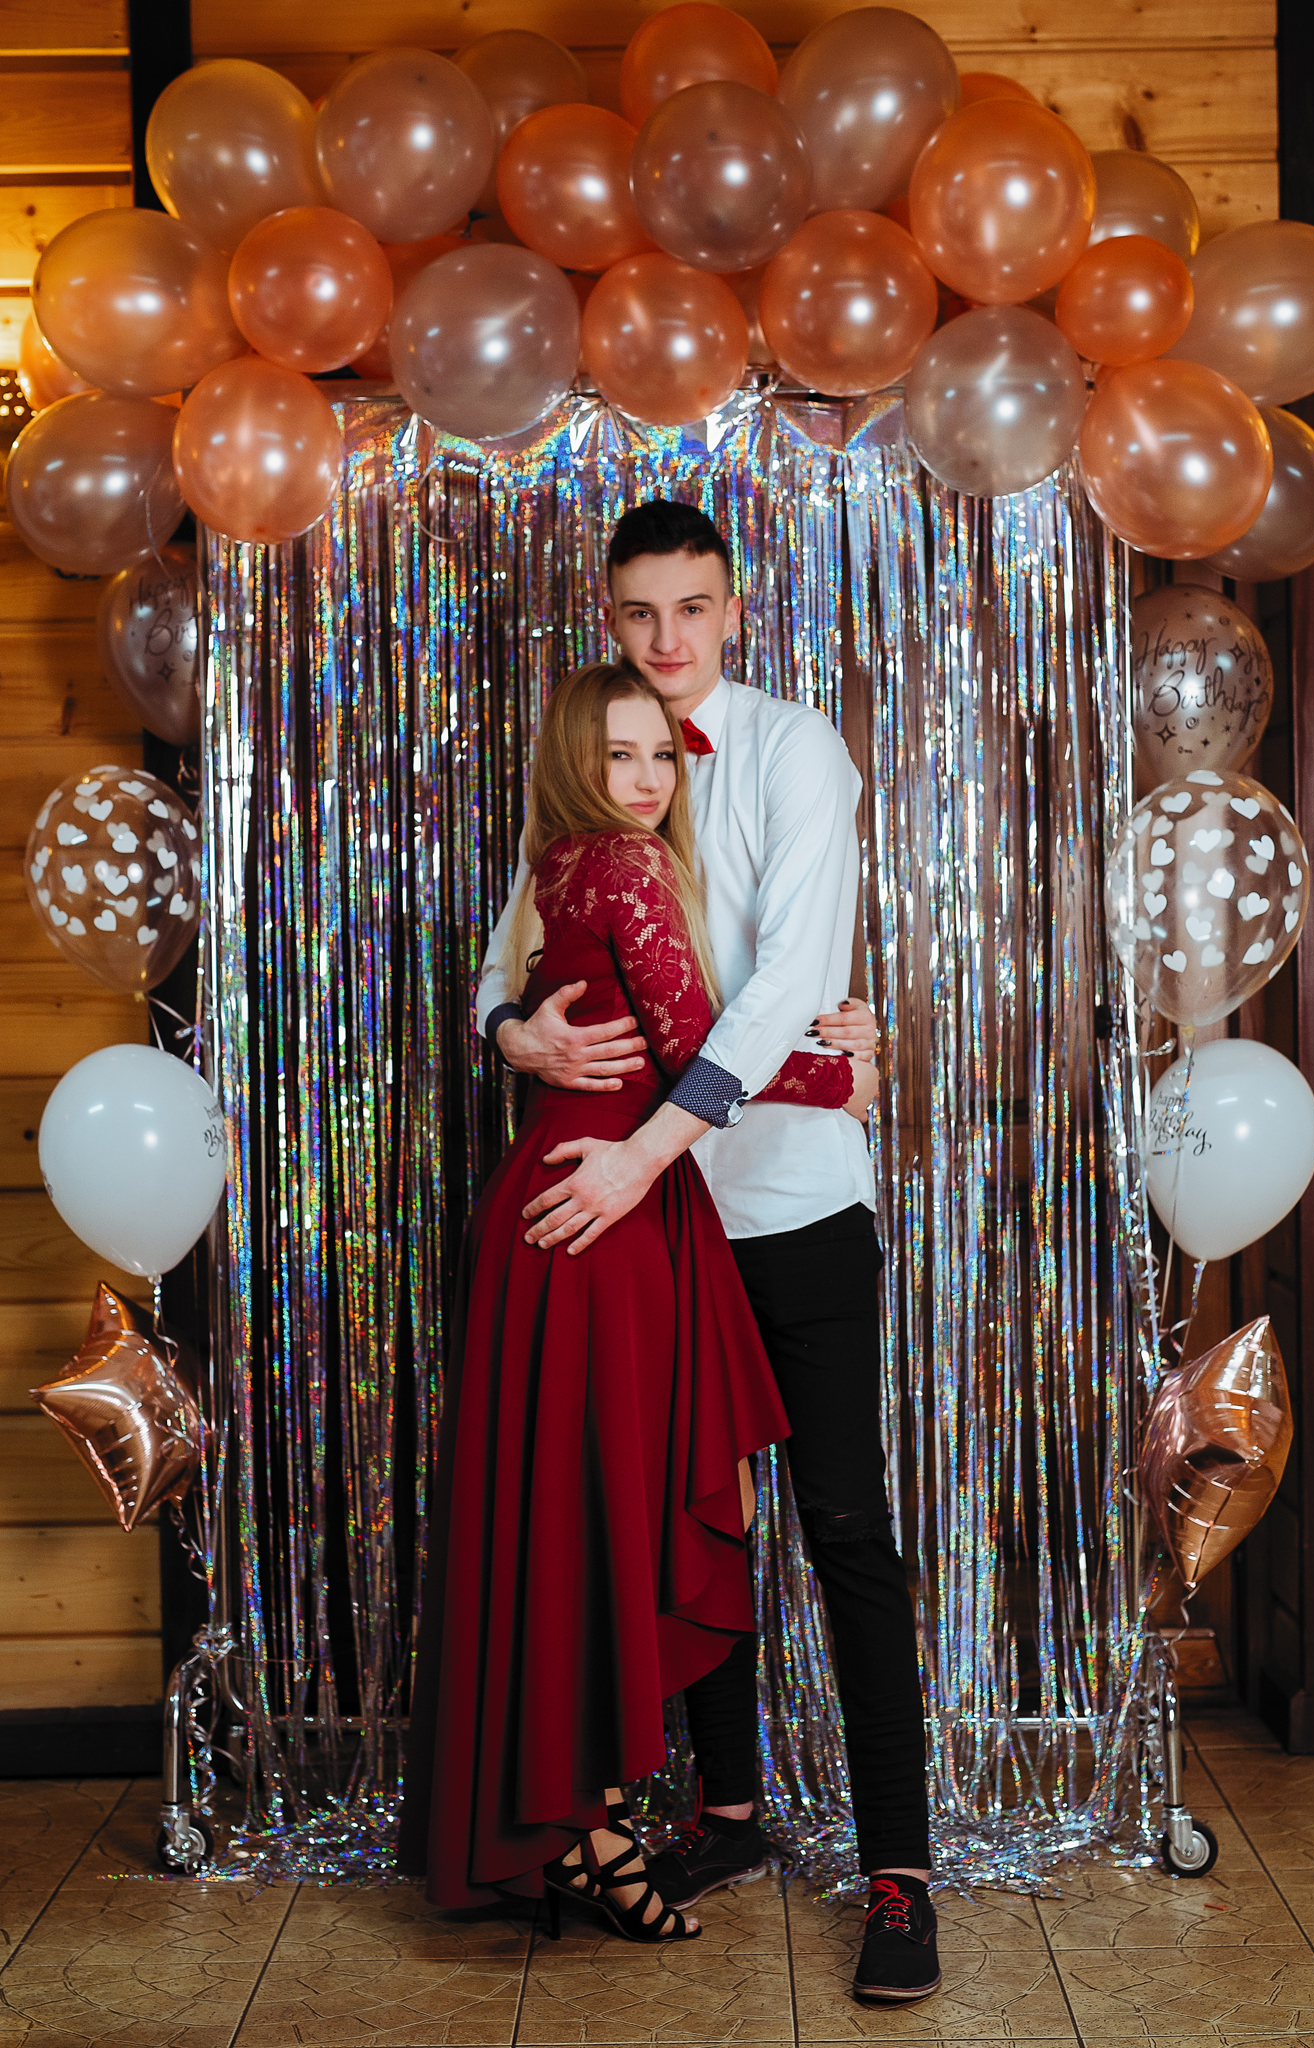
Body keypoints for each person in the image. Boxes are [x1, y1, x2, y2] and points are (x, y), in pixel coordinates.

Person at [475, 500, 940, 2005]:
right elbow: (504, 956)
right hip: (661, 1228)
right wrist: (515, 1032)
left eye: (692, 608)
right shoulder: (603, 760)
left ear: (733, 611)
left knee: (843, 1526)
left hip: (786, 1205)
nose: (666, 639)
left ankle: (898, 1871)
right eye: (638, 613)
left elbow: (778, 983)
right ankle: (727, 1815)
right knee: (699, 1508)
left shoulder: (795, 751)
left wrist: (647, 1147)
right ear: (608, 622)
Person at [399, 659, 874, 1939]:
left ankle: (572, 1815)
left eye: (661, 752)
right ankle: (586, 1823)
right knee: (600, 1515)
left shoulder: (559, 863)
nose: (648, 776)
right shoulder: (621, 863)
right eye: (619, 754)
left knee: (562, 1516)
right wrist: (846, 1077)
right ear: (575, 758)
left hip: (569, 1198)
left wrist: (513, 1026)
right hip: (602, 1210)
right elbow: (693, 1041)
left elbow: (651, 1031)